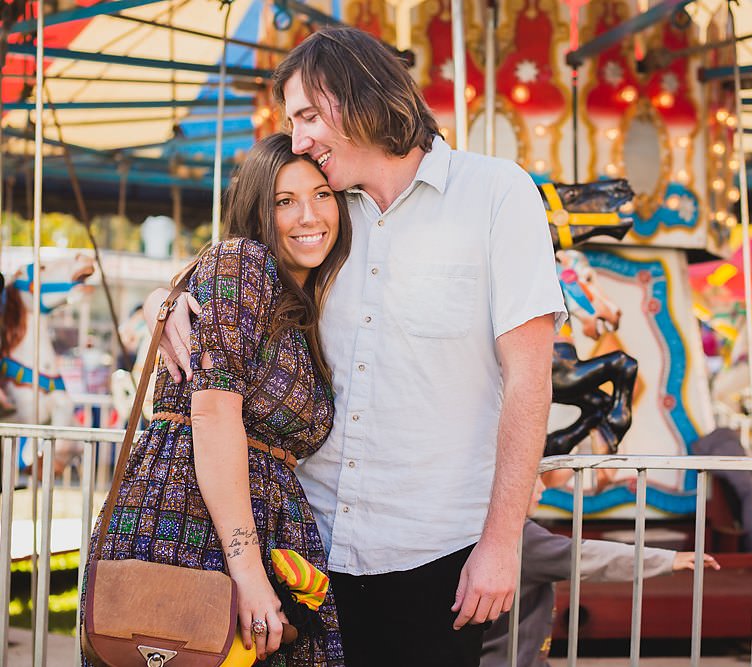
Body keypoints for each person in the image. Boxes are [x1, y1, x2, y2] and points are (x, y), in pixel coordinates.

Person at [147, 26, 566, 667]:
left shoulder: (496, 195)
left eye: (310, 115)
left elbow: (531, 379)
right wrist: (166, 303)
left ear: (361, 95)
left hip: (435, 554)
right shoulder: (320, 211)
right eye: (294, 121)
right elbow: (233, 278)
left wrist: (503, 540)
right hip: (305, 549)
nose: (301, 137)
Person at [86, 133, 351, 665]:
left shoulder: (301, 301)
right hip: (190, 521)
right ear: (258, 210)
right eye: (284, 200)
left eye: (322, 194)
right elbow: (211, 414)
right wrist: (247, 571)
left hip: (260, 528)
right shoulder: (243, 262)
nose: (308, 215)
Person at [480, 481, 721, 667]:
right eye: (535, 478)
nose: (543, 488)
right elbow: (590, 556)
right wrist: (668, 559)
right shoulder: (522, 537)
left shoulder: (487, 527)